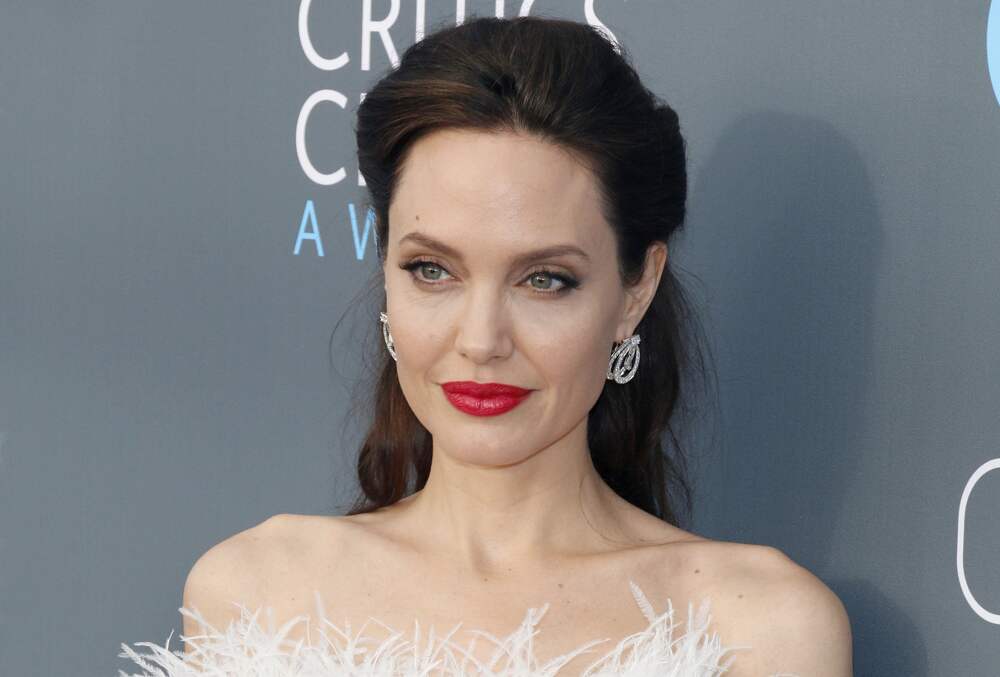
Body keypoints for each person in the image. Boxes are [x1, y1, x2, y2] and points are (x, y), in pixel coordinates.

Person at [118, 15, 852, 676]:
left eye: (544, 280)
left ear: (636, 290)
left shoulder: (757, 630)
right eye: (432, 270)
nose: (480, 341)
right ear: (386, 272)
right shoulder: (257, 594)